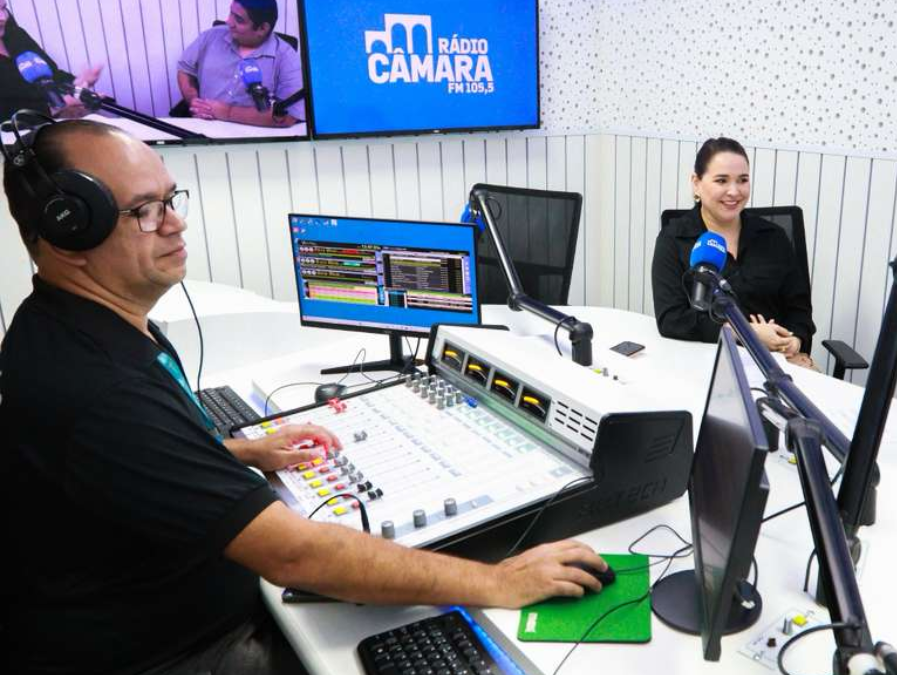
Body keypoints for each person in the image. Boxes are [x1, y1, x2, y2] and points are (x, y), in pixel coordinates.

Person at [0, 120, 606, 675]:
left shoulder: (70, 325)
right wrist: (498, 582)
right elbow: (293, 557)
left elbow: (130, 466)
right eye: (144, 211)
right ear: (68, 232)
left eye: (171, 199)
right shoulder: (102, 385)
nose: (175, 223)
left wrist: (240, 452)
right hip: (178, 653)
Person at [651, 137, 818, 368]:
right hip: (709, 361)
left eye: (743, 180)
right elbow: (671, 319)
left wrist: (795, 341)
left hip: (782, 360)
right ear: (696, 183)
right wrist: (745, 332)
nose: (734, 191)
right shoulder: (674, 239)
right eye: (721, 180)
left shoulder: (774, 236)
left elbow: (799, 310)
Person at [176, 0, 304, 127]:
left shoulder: (287, 57)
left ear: (262, 28)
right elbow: (185, 69)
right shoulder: (210, 36)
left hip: (253, 133)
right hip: (203, 127)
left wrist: (227, 112)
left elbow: (288, 116)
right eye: (231, 13)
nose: (228, 22)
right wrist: (193, 100)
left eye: (239, 19)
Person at [0, 0, 103, 120]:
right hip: (20, 128)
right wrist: (59, 105)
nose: (3, 17)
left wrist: (78, 83)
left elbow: (53, 75)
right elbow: (6, 113)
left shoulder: (16, 35)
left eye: (3, 8)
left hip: (55, 120)